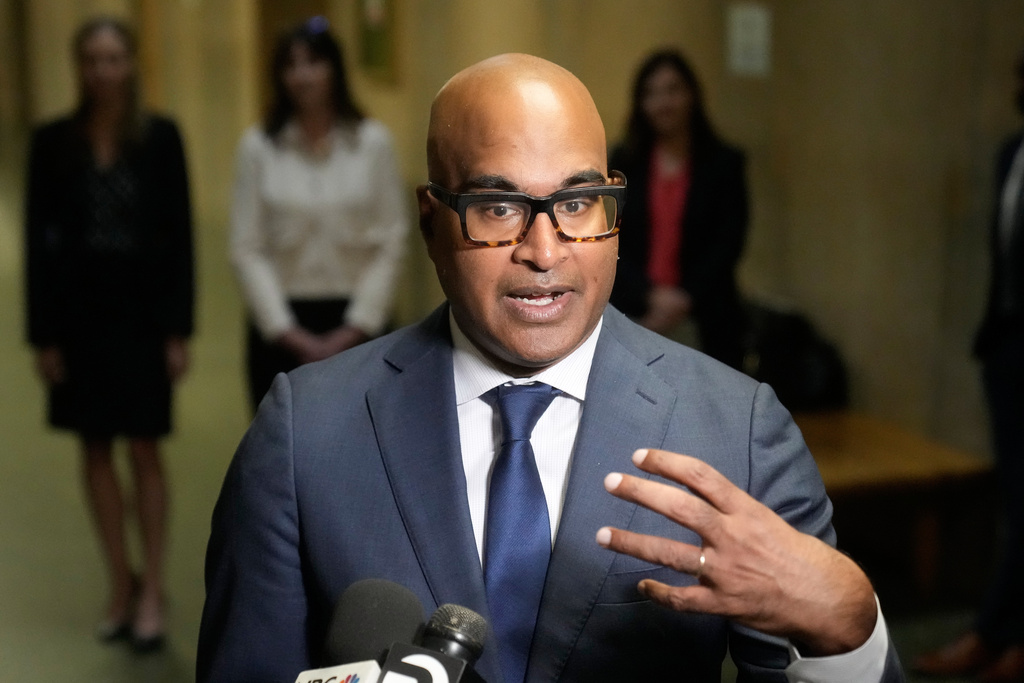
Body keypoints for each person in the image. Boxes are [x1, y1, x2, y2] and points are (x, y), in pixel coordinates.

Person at [197, 54, 903, 682]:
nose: (545, 250)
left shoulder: (739, 429)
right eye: (498, 206)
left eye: (575, 203)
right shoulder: (302, 435)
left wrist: (846, 626)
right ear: (430, 219)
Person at [24, 16, 193, 652]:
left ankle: (153, 589)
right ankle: (120, 580)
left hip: (143, 320)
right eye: (91, 59)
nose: (103, 71)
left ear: (131, 65)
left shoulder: (160, 138)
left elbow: (178, 239)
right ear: (79, 67)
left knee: (145, 448)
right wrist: (44, 335)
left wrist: (178, 328)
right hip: (79, 318)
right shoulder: (53, 141)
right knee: (94, 449)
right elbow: (41, 246)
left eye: (114, 58)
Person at [230, 17, 409, 411]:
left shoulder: (372, 143)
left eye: (313, 63)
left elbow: (392, 240)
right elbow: (247, 247)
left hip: (359, 319)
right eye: (290, 65)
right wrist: (287, 332)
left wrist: (355, 329)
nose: (302, 76)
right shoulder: (259, 147)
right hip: (283, 323)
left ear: (335, 70)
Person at [913, 51, 1024, 683]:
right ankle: (1000, 634)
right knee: (1016, 498)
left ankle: (999, 635)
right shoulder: (1012, 152)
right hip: (1007, 349)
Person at [609, 49, 749, 370]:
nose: (663, 103)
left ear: (693, 95)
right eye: (652, 93)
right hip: (636, 309)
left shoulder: (724, 164)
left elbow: (728, 241)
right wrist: (650, 295)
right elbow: (610, 237)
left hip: (705, 312)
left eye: (673, 90)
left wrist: (683, 298)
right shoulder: (623, 164)